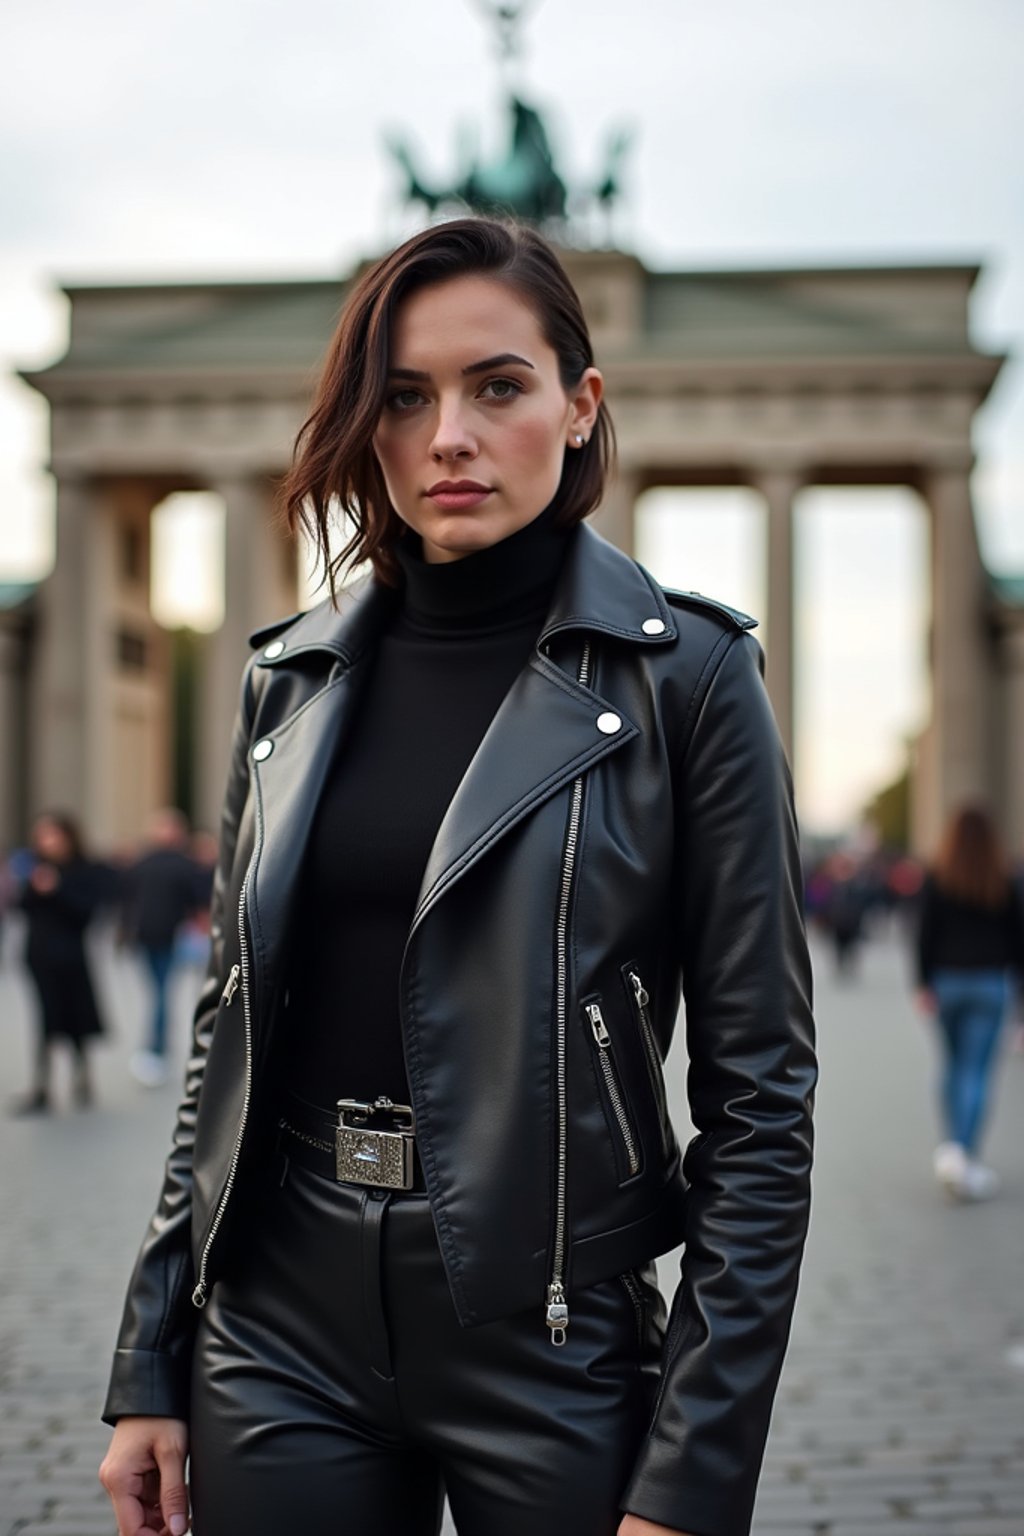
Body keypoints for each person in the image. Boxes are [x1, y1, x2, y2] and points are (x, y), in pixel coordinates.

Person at [98, 219, 816, 1536]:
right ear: (367, 425)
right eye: (405, 397)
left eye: (498, 386)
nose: (449, 437)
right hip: (278, 1325)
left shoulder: (691, 683)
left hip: (548, 1327)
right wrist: (152, 1356)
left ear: (580, 403)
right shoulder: (288, 680)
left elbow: (763, 1103)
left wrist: (695, 1475)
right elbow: (226, 1035)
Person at [915, 803, 1024, 1201]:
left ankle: (952, 1149)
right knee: (976, 1071)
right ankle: (965, 1152)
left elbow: (924, 933)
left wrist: (923, 982)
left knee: (952, 1065)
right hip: (991, 982)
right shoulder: (1004, 878)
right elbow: (1018, 937)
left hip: (948, 980)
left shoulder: (939, 875)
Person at [9, 810, 107, 1114]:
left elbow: (86, 914)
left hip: (71, 958)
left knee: (75, 1016)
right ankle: (43, 1084)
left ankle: (82, 1076)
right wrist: (36, 889)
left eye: (52, 835)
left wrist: (57, 890)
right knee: (46, 1019)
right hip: (40, 957)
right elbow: (22, 907)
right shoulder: (37, 868)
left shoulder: (82, 870)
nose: (47, 842)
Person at [120, 807, 202, 1087]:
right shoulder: (180, 864)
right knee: (161, 993)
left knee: (159, 993)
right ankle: (157, 1048)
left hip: (162, 936)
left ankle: (156, 1048)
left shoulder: (147, 863)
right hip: (157, 935)